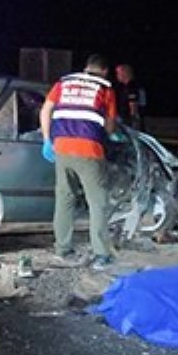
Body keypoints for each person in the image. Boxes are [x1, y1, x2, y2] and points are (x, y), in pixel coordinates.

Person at [40, 54, 120, 269]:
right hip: (89, 150)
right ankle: (101, 254)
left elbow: (46, 109)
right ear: (104, 71)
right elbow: (110, 127)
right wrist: (113, 134)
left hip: (62, 147)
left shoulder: (64, 83)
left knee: (65, 198)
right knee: (98, 203)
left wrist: (47, 140)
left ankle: (62, 249)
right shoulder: (105, 88)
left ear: (86, 68)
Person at [114, 63, 147, 130]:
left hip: (128, 120)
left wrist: (133, 119)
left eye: (118, 73)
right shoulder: (124, 87)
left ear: (125, 73)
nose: (117, 76)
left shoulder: (132, 87)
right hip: (126, 119)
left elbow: (133, 104)